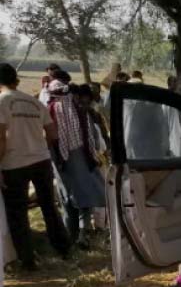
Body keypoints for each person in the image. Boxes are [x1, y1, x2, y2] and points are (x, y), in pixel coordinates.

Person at [0, 63, 71, 270]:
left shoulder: (2, 102)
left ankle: (27, 260)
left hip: (14, 164)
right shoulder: (34, 102)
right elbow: (53, 134)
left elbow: (1, 139)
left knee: (18, 214)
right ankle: (63, 248)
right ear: (17, 80)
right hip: (41, 161)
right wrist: (39, 148)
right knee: (49, 206)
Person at [48, 75, 106, 249]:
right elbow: (94, 141)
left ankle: (73, 237)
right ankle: (82, 235)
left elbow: (51, 138)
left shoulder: (52, 111)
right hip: (81, 162)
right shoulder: (81, 113)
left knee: (69, 201)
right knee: (84, 199)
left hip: (63, 164)